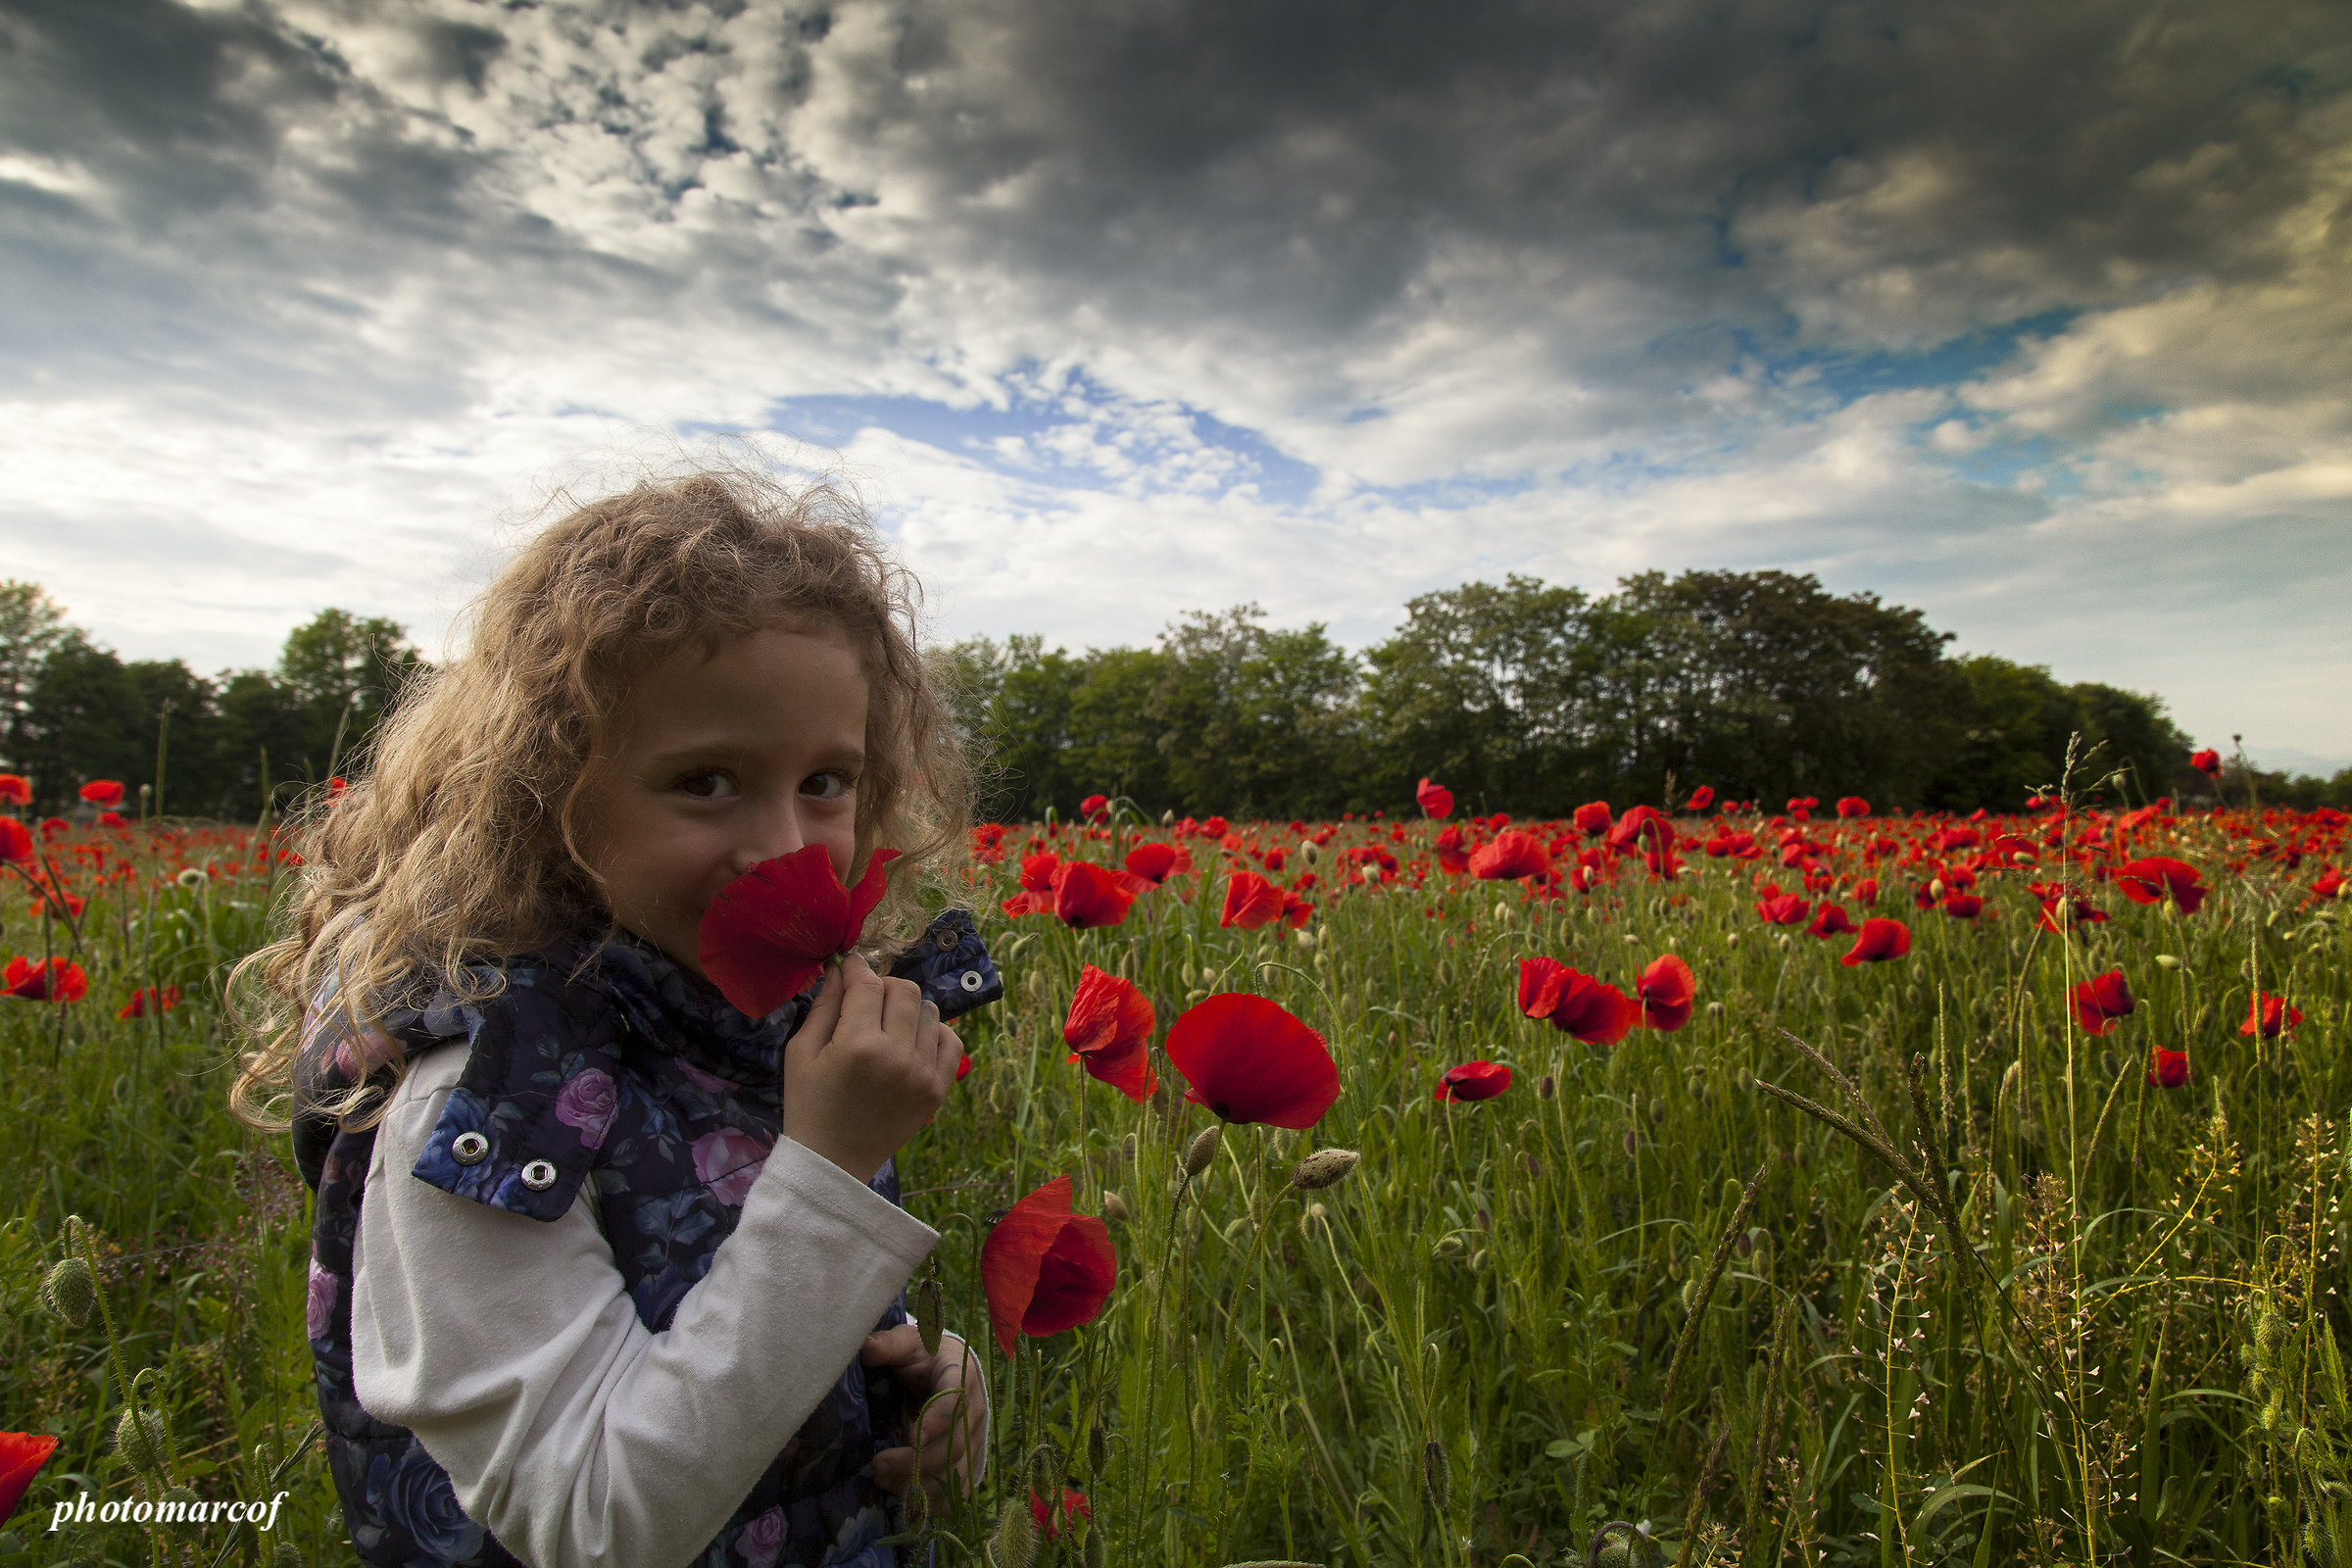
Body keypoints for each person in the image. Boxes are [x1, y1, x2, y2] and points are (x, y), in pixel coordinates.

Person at [231, 469, 990, 1568]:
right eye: (708, 780)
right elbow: (594, 1524)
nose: (785, 844)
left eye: (827, 779)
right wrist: (832, 1179)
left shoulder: (764, 1029)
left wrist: (914, 1383)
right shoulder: (484, 1109)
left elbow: (753, 1315)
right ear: (548, 795)